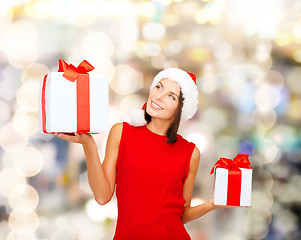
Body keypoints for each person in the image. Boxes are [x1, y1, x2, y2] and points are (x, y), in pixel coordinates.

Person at [53, 68, 229, 240]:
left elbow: (180, 215)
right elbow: (102, 196)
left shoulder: (190, 153)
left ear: (180, 109)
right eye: (159, 87)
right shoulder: (121, 133)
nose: (159, 96)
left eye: (171, 96)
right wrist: (89, 145)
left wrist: (210, 205)